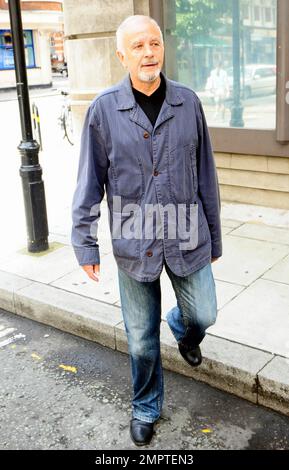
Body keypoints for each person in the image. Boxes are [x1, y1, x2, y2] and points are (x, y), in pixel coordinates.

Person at [71, 15, 222, 447]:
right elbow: (88, 182)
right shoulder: (104, 110)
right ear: (122, 55)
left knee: (204, 313)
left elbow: (206, 174)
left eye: (154, 43)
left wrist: (214, 233)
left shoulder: (188, 103)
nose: (148, 52)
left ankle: (183, 328)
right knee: (140, 340)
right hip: (134, 242)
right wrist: (84, 243)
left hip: (188, 234)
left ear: (163, 49)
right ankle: (145, 407)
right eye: (137, 46)